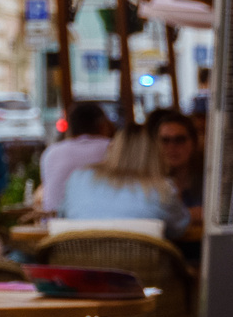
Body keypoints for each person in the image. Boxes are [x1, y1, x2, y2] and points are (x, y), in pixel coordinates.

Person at [59, 120, 196, 243]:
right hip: (143, 263)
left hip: (80, 261)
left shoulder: (79, 178)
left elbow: (63, 216)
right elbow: (179, 228)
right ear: (155, 153)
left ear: (113, 148)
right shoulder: (163, 188)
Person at [37, 100, 113, 215]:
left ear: (69, 127)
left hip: (55, 223)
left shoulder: (51, 153)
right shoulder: (112, 148)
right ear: (103, 125)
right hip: (102, 222)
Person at [148, 106, 206, 237]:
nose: (172, 147)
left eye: (179, 140)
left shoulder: (208, 179)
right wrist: (193, 214)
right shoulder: (149, 181)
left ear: (194, 143)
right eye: (165, 141)